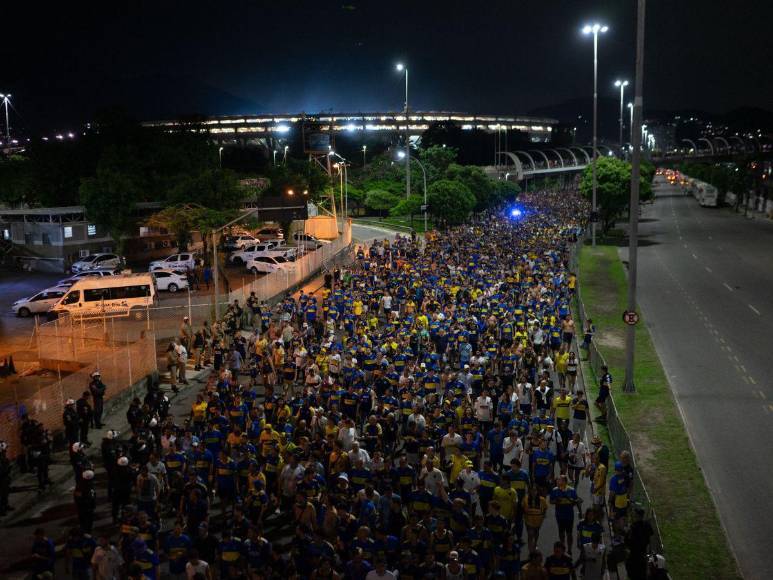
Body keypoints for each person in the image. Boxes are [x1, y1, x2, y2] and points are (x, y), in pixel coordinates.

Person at [625, 508, 653, 580]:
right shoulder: (647, 525)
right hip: (643, 555)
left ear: (636, 516)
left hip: (634, 557)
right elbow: (650, 537)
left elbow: (627, 542)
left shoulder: (632, 527)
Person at [0, 440, 10, 516]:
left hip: (5, 476)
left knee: (5, 492)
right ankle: (1, 509)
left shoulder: (3, 455)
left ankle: (5, 505)